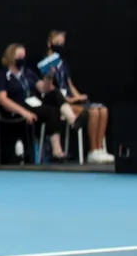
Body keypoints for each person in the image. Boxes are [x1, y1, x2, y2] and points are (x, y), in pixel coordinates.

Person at [44, 31, 113, 164]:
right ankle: (92, 151)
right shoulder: (45, 64)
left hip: (71, 99)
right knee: (92, 112)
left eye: (62, 43)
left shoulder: (63, 63)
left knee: (102, 110)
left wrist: (78, 96)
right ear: (49, 43)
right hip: (58, 103)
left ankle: (99, 149)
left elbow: (69, 84)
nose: (60, 46)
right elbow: (50, 89)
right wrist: (70, 100)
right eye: (57, 43)